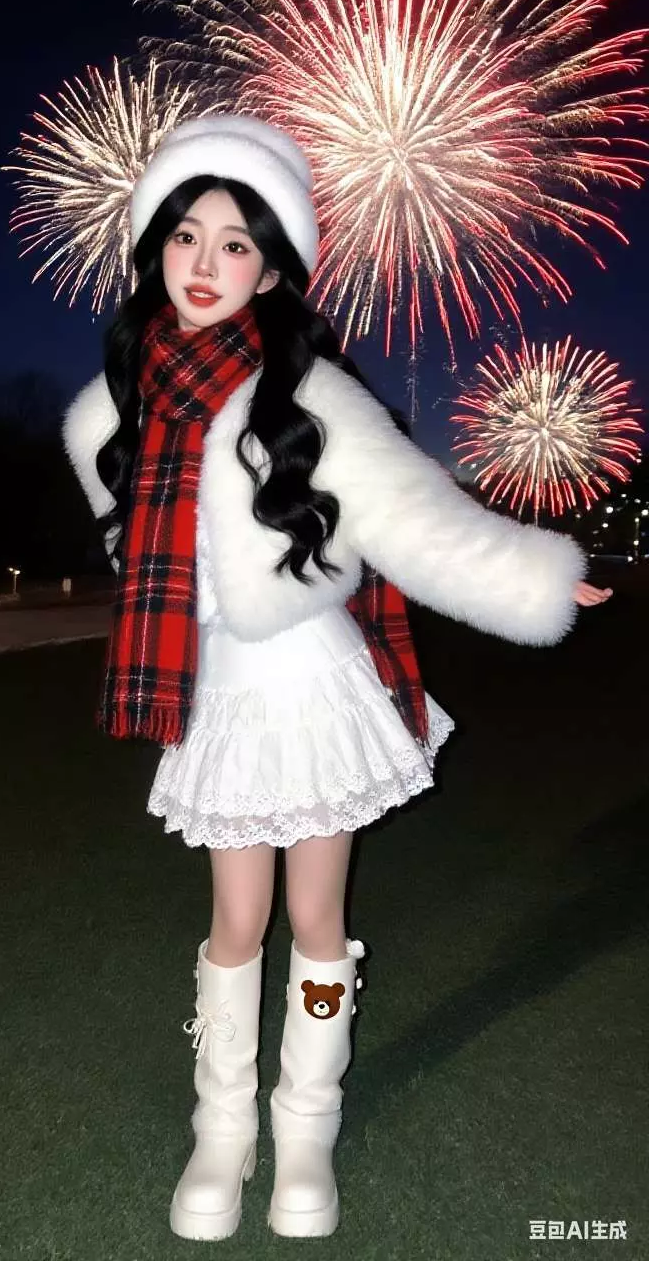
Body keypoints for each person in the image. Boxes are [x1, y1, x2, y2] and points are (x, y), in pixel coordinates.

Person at [61, 114, 612, 1242]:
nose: (206, 263)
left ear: (271, 269)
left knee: (316, 914)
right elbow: (141, 557)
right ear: (155, 247)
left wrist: (538, 578)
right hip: (220, 692)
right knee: (235, 920)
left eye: (236, 244)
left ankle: (305, 1123)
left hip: (313, 683)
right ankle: (223, 1129)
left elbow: (416, 517)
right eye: (186, 237)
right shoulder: (111, 414)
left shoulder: (307, 394)